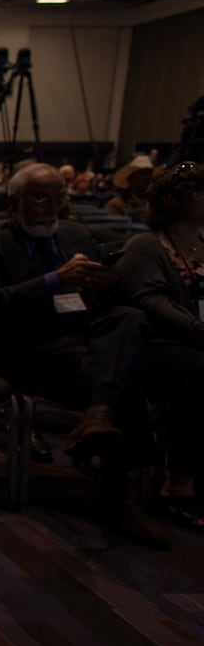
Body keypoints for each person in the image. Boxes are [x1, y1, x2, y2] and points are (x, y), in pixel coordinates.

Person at [0, 163, 168, 547]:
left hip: (90, 340)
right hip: (30, 348)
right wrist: (55, 280)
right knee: (126, 376)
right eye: (42, 198)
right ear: (14, 200)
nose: (52, 208)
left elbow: (102, 302)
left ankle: (100, 416)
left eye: (60, 199)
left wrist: (108, 285)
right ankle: (121, 494)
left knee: (129, 316)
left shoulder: (78, 234)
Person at [114, 162, 204, 528]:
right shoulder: (145, 245)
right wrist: (199, 328)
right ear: (181, 198)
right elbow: (149, 302)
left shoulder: (201, 241)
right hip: (154, 346)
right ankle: (178, 484)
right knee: (199, 371)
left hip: (193, 341)